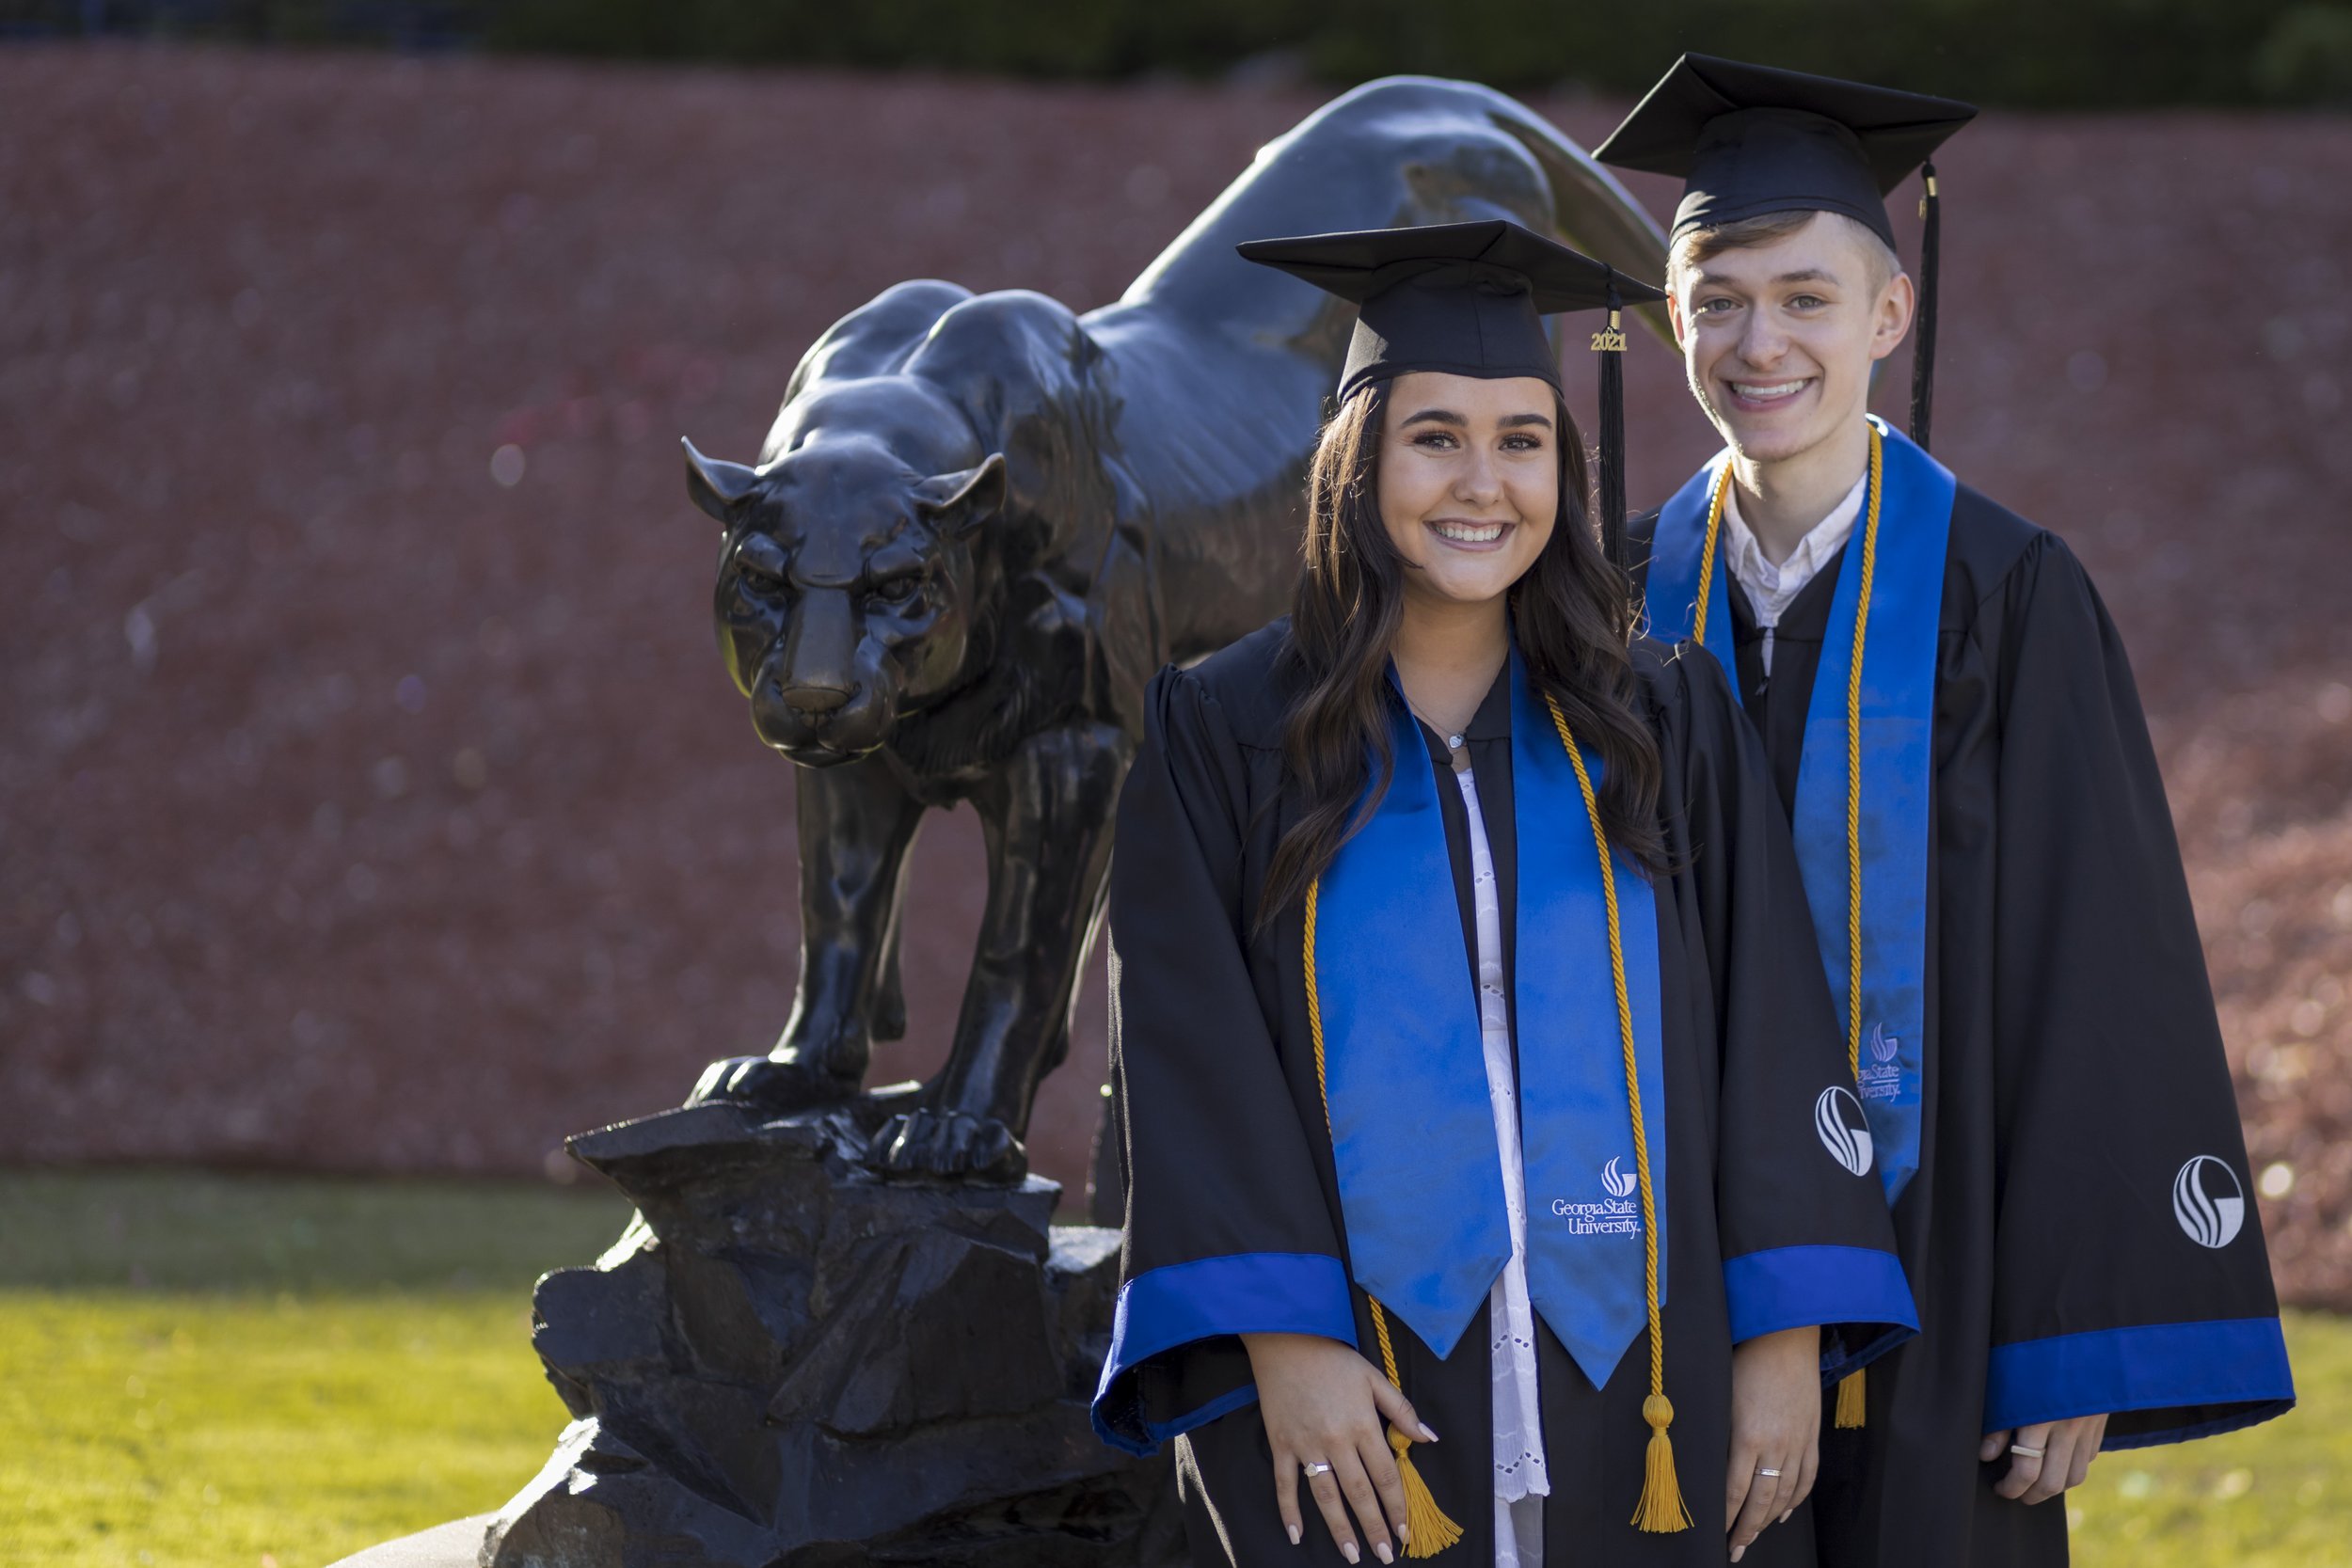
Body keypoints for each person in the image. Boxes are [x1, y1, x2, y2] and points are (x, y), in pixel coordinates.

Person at [1089, 218, 1918, 1568]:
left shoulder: (1660, 718)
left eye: (1522, 440)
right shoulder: (1225, 729)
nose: (1484, 482)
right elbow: (1191, 1056)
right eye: (1435, 438)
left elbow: (1770, 1028)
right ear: (1358, 466)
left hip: (1646, 1363)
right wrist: (1286, 1342)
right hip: (1354, 1376)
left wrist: (1781, 1335)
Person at [1594, 54, 2296, 1568]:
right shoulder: (1611, 601)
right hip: (1658, 1266)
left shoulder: (2008, 593)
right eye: (1718, 298)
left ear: (1888, 315)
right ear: (1669, 322)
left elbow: (2097, 959)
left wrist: (2074, 1340)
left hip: (1947, 1264)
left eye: (1805, 297)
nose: (1757, 340)